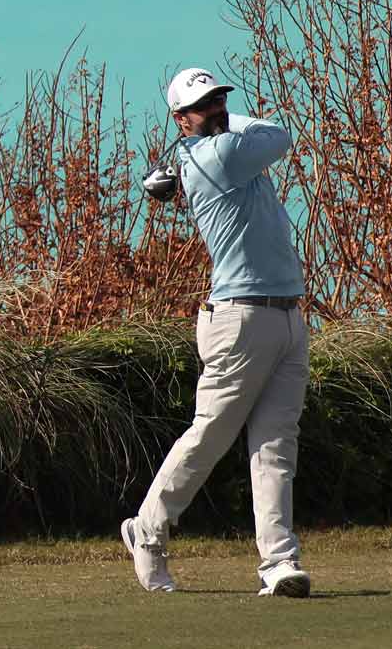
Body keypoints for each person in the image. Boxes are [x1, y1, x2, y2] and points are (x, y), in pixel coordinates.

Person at [121, 67, 312, 598]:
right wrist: (201, 140)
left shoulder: (209, 153)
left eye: (222, 98)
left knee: (276, 445)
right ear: (181, 120)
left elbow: (256, 136)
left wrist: (193, 140)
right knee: (211, 434)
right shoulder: (218, 157)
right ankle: (148, 529)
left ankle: (279, 563)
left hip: (288, 316)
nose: (218, 108)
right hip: (238, 319)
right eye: (204, 105)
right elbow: (278, 134)